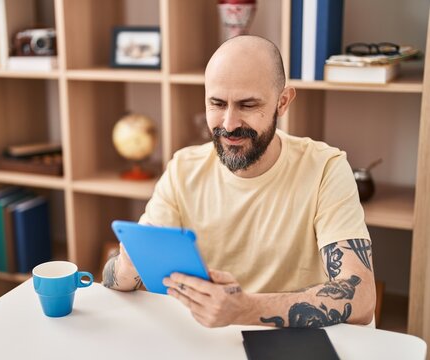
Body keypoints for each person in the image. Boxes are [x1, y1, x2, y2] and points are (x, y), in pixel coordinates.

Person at [102, 35, 376, 328]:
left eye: (247, 105)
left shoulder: (326, 168)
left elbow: (361, 298)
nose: (229, 124)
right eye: (217, 103)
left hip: (292, 342)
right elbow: (114, 279)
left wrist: (244, 309)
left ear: (282, 102)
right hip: (204, 341)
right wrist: (127, 267)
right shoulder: (184, 167)